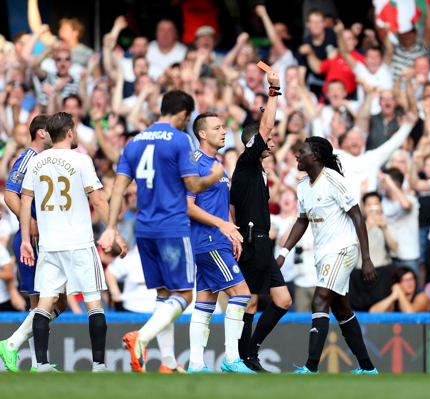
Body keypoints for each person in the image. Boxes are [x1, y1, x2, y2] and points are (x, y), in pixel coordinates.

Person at [98, 90, 224, 373]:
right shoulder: (180, 139)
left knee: (164, 294)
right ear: (182, 115)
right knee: (184, 295)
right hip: (172, 226)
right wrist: (214, 176)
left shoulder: (134, 142)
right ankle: (139, 337)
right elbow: (193, 186)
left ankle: (167, 362)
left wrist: (112, 227)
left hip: (144, 229)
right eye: (187, 118)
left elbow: (118, 187)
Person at [18, 112, 127, 372]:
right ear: (69, 132)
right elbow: (98, 200)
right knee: (93, 301)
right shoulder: (81, 160)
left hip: (49, 243)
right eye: (75, 130)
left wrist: (24, 239)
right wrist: (115, 232)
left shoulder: (36, 161)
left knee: (45, 303)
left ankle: (41, 364)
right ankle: (99, 365)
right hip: (79, 241)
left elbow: (25, 201)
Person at [277, 136, 378, 374]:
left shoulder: (334, 180)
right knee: (341, 309)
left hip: (343, 250)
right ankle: (367, 368)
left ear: (315, 156)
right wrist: (283, 253)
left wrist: (366, 259)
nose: (296, 155)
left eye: (301, 151)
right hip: (323, 256)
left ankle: (310, 367)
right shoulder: (302, 185)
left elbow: (357, 217)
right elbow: (301, 222)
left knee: (319, 300)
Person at [230, 71, 292, 372]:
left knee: (283, 301)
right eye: (268, 137)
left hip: (262, 243)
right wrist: (274, 90)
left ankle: (250, 351)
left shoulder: (258, 172)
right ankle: (244, 359)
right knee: (250, 304)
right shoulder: (246, 162)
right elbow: (266, 124)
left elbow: (231, 206)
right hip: (253, 242)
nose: (272, 140)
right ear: (255, 142)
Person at [186, 112, 254, 374]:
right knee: (242, 294)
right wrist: (221, 226)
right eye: (217, 128)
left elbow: (221, 204)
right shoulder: (195, 163)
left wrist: (231, 231)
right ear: (202, 134)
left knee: (205, 302)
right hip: (208, 240)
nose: (223, 131)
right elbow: (187, 206)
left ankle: (195, 364)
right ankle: (231, 358)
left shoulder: (217, 164)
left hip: (217, 240)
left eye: (223, 127)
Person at [0, 115, 69, 372]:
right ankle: (37, 361)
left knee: (52, 301)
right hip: (34, 237)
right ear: (41, 133)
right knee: (46, 300)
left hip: (45, 236)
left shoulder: (46, 160)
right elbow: (9, 194)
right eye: (51, 130)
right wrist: (29, 223)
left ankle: (23, 352)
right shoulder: (29, 158)